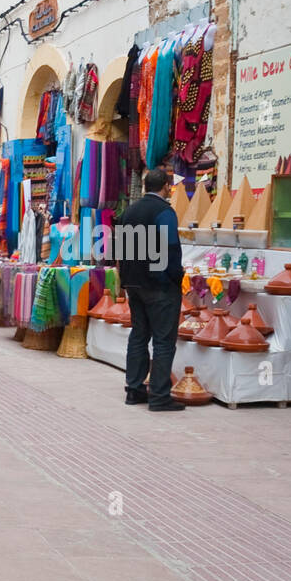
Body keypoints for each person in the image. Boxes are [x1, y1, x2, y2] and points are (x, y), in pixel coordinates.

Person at [116, 168, 185, 411]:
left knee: (139, 335)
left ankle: (134, 390)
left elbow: (121, 250)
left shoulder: (130, 211)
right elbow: (171, 248)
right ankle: (159, 396)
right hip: (159, 285)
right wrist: (176, 277)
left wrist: (124, 280)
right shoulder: (164, 212)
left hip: (134, 284)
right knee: (164, 341)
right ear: (166, 186)